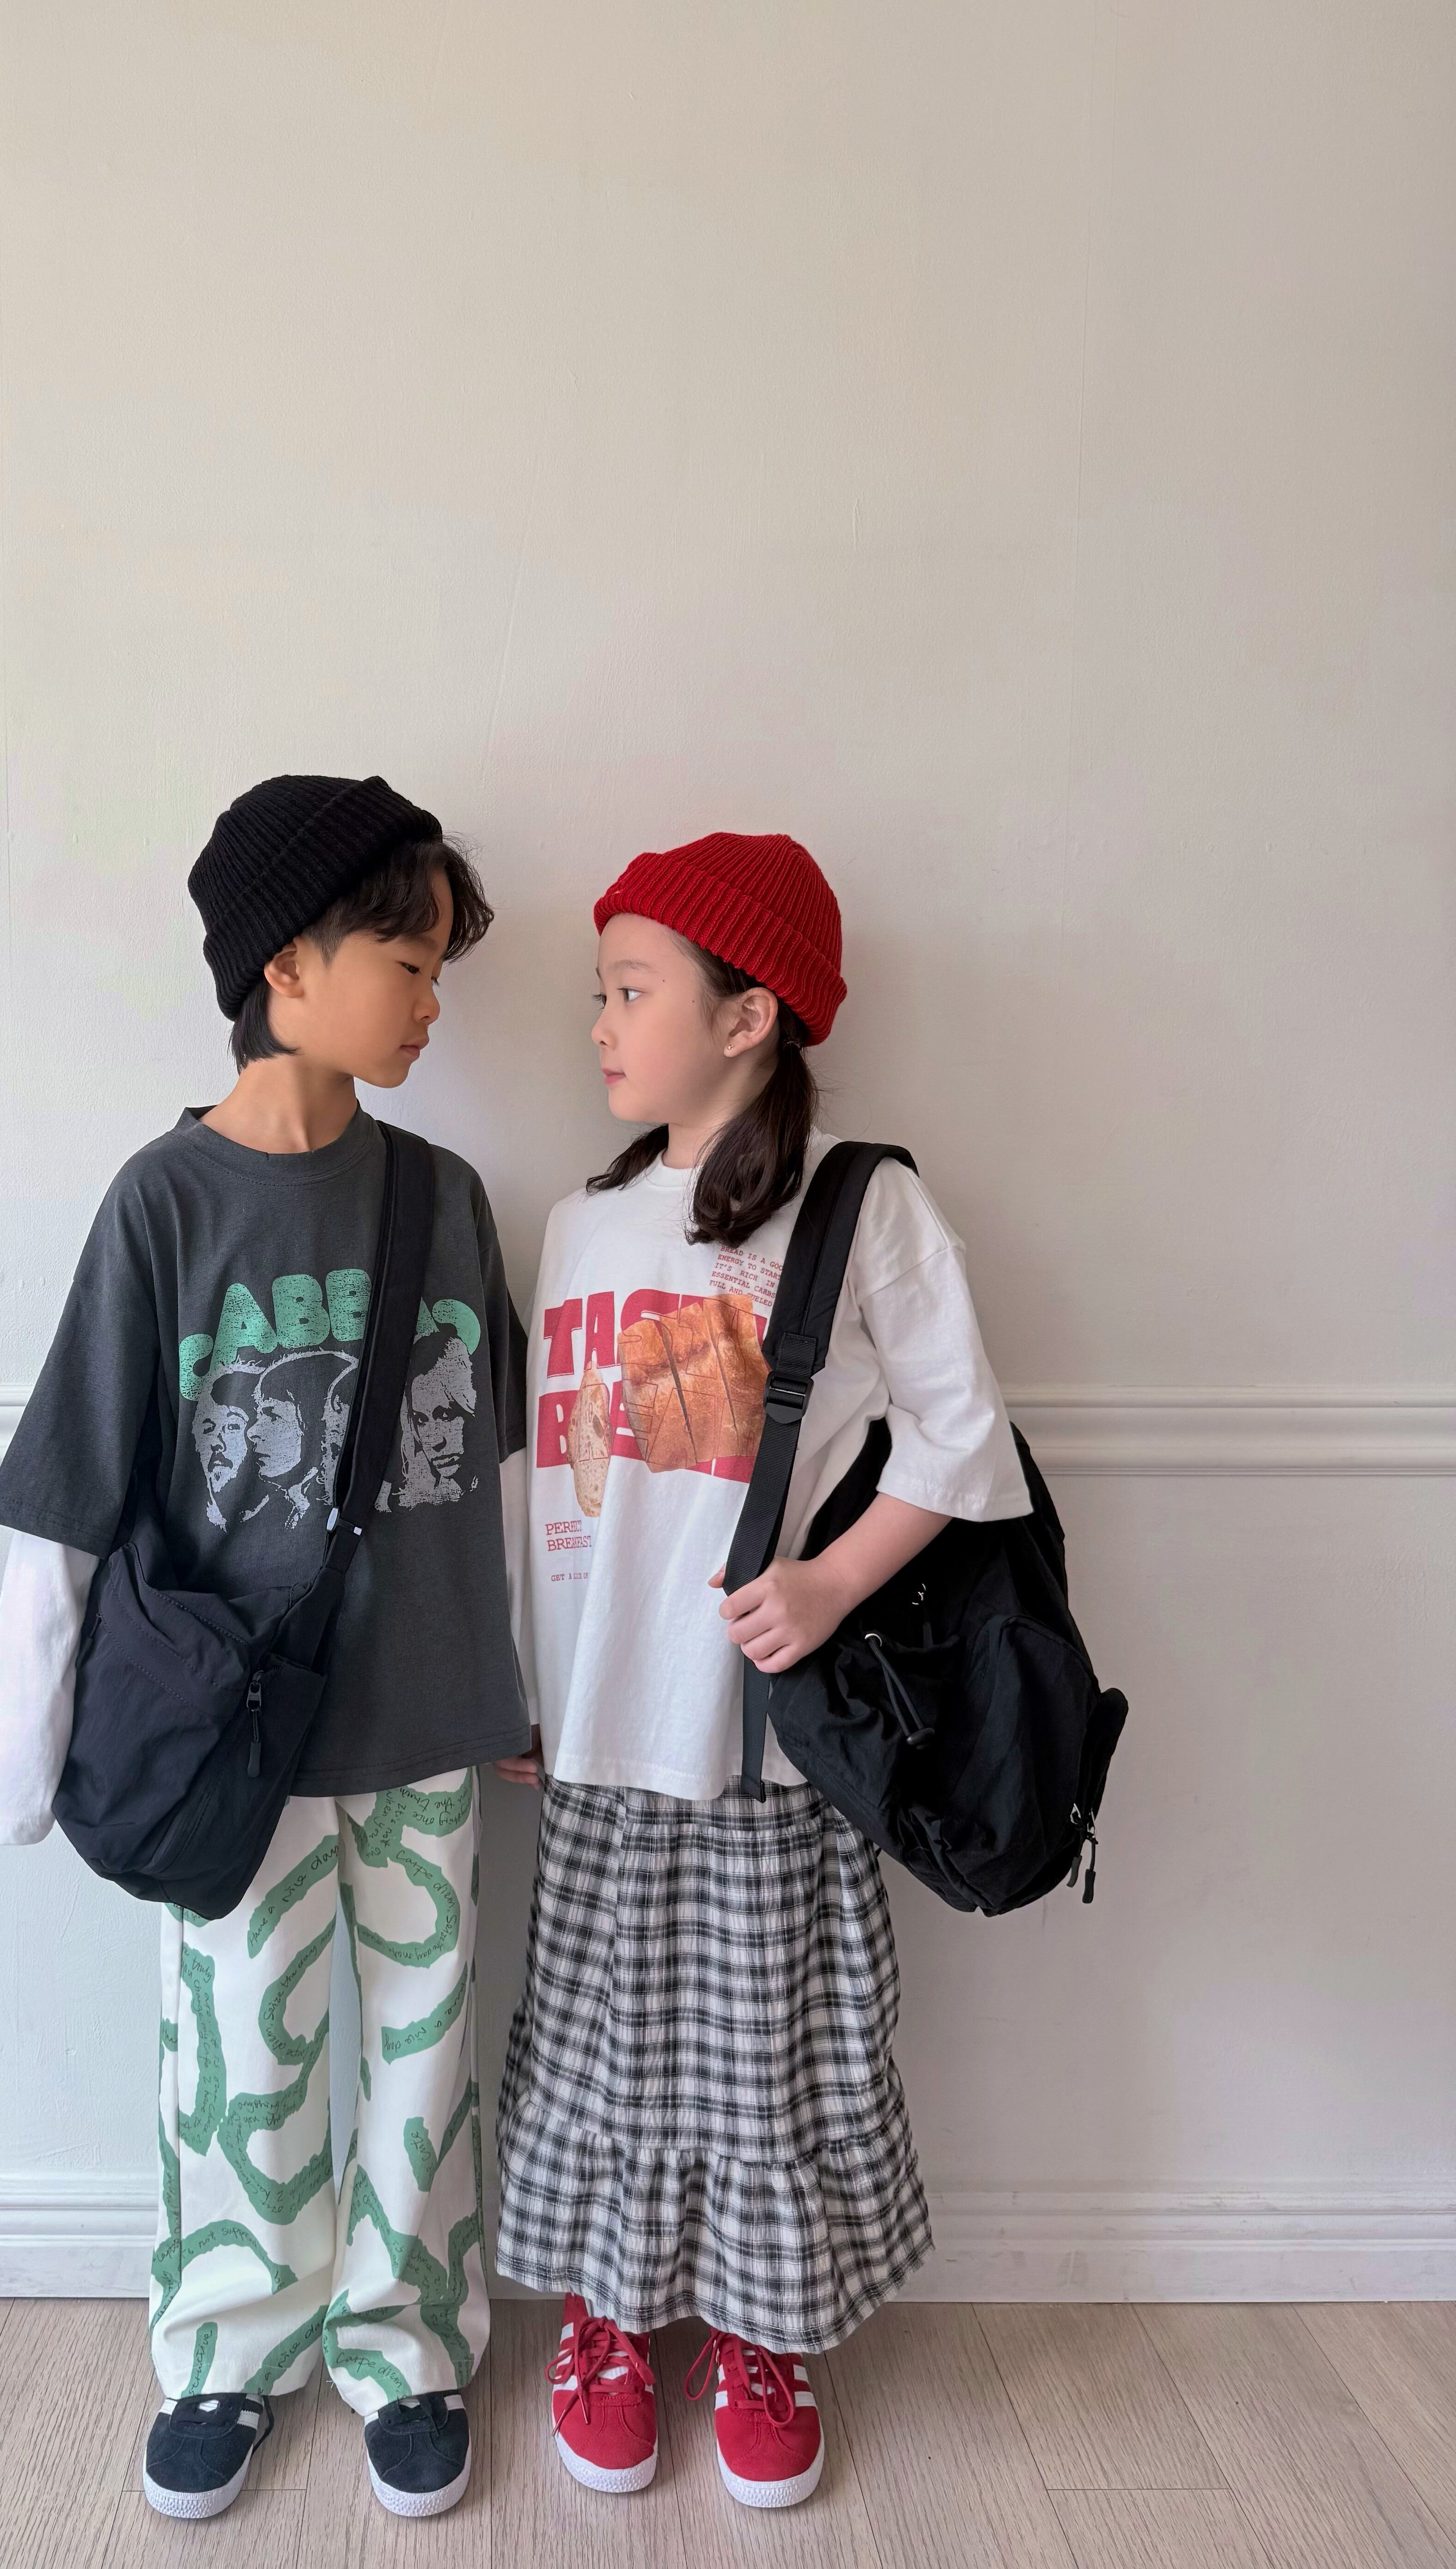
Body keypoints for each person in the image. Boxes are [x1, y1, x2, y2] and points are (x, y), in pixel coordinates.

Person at [0, 775, 532, 2524]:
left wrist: (530, 1683)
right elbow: (73, 1486)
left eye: (437, 970)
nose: (432, 1003)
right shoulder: (163, 1205)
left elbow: (511, 1469)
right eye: (406, 962)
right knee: (239, 2052)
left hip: (430, 1711)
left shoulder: (444, 1195)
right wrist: (18, 1740)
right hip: (235, 1739)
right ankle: (226, 2342)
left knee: (426, 2047)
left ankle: (407, 2341)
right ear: (286, 966)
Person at [493, 830, 1030, 2510]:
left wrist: (829, 1581)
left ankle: (760, 2328)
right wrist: (524, 1676)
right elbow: (548, 1475)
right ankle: (607, 2316)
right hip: (599, 1727)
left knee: (772, 2052)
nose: (597, 1024)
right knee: (598, 2039)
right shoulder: (579, 1222)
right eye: (598, 993)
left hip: (765, 1739)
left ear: (747, 1016)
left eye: (629, 991)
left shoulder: (861, 1203)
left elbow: (963, 1437)